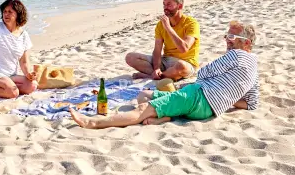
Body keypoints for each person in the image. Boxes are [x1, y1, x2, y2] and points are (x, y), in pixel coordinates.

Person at [69, 21, 258, 130]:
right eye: (227, 36)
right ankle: (165, 117)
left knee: (143, 109)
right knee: (144, 95)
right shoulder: (254, 66)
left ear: (247, 44)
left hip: (196, 96)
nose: (228, 41)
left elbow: (203, 73)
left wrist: (213, 91)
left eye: (232, 38)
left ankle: (92, 122)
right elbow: (251, 103)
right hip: (207, 110)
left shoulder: (235, 55)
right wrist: (225, 97)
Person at [125, 0, 199, 82]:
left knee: (181, 66)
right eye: (164, 4)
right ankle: (156, 74)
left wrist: (168, 28)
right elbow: (157, 50)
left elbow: (184, 48)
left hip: (186, 63)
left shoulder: (191, 23)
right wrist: (156, 68)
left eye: (169, 4)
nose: (165, 8)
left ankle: (151, 76)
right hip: (166, 60)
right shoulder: (160, 25)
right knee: (130, 57)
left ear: (180, 6)